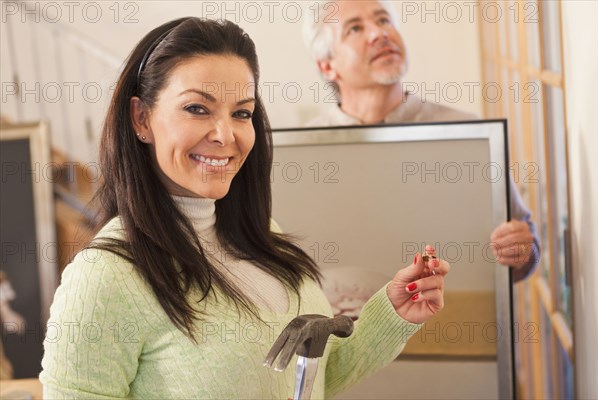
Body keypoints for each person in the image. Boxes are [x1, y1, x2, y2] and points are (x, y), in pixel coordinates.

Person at [40, 17, 450, 399]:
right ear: (142, 119)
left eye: (241, 113)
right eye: (197, 108)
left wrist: (393, 312)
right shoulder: (105, 278)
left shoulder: (259, 234)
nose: (225, 134)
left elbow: (311, 376)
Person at [303, 0, 539, 281]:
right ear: (327, 66)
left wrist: (522, 251)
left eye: (384, 20)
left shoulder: (468, 135)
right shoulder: (305, 154)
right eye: (354, 28)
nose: (380, 33)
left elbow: (525, 245)